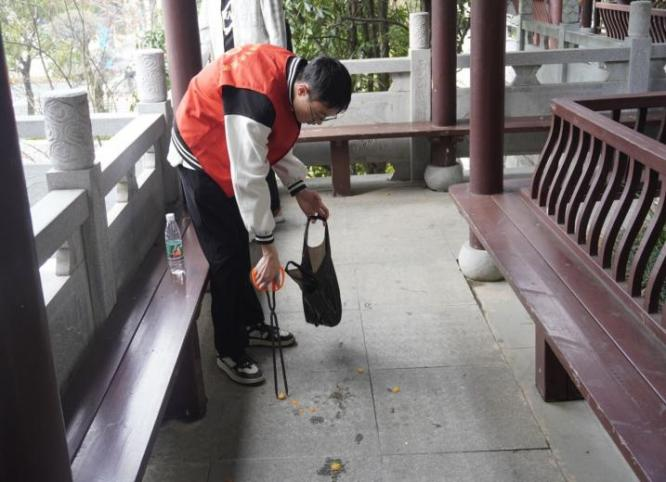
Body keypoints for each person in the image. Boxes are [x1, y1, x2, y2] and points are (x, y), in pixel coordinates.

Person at [167, 44, 352, 385]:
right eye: (319, 114)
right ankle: (228, 350)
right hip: (199, 154)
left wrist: (299, 188)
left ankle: (251, 325)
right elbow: (249, 174)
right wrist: (268, 247)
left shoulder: (289, 78)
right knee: (225, 258)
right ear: (303, 90)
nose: (318, 121)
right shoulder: (256, 98)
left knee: (239, 243)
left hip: (228, 149)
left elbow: (270, 140)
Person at [200, 0, 292, 222]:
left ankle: (272, 207)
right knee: (241, 142)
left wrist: (280, 71)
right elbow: (205, 35)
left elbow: (276, 29)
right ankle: (252, 211)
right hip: (227, 74)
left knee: (259, 138)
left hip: (258, 73)